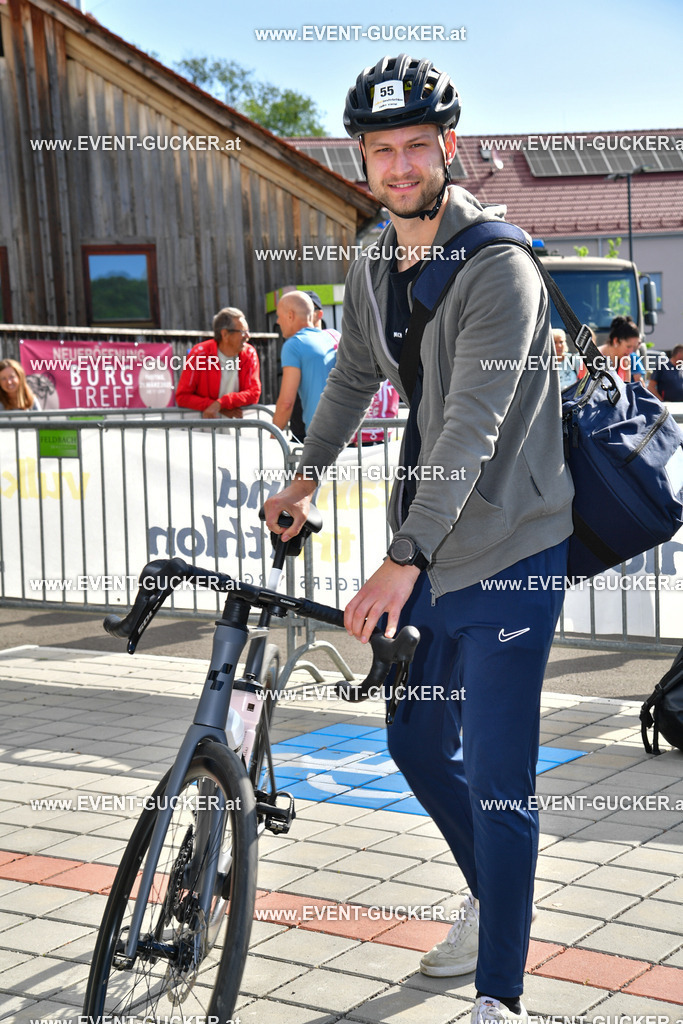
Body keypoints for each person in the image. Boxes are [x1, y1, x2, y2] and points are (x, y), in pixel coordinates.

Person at [265, 53, 574, 1024]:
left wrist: (399, 559)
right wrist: (304, 475)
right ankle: (493, 900)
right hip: (431, 547)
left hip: (510, 550)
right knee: (410, 741)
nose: (398, 166)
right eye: (379, 150)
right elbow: (354, 375)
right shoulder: (369, 258)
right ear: (362, 160)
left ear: (446, 146)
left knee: (495, 773)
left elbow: (467, 429)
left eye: (414, 147)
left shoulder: (500, 265)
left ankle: (499, 994)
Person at [175, 307, 261, 417]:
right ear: (225, 334)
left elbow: (254, 393)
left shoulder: (249, 353)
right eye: (242, 332)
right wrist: (217, 407)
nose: (248, 336)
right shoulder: (199, 354)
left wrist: (221, 404)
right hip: (203, 428)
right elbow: (183, 397)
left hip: (236, 426)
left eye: (248, 332)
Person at [272, 291, 337, 437]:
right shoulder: (334, 337)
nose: (277, 321)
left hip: (320, 437)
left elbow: (286, 403)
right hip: (350, 433)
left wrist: (271, 441)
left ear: (290, 315)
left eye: (279, 315)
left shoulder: (294, 345)